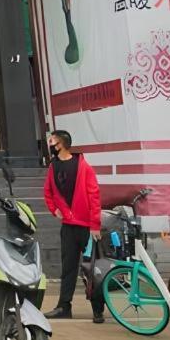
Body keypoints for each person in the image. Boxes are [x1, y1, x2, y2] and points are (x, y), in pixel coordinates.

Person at [43, 129, 103, 322]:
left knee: (92, 268)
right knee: (68, 268)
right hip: (68, 227)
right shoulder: (53, 167)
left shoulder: (83, 166)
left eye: (52, 140)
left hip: (87, 228)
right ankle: (64, 307)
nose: (50, 144)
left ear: (61, 143)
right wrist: (54, 210)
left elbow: (94, 195)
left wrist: (95, 225)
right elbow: (48, 192)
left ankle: (98, 309)